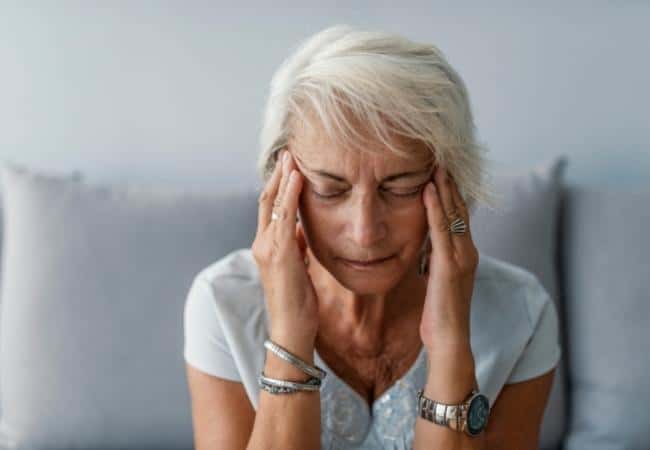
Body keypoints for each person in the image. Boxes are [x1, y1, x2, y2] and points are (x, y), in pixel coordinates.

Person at [184, 24, 561, 450]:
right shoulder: (224, 302)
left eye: (400, 189)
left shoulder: (521, 313)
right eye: (330, 189)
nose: (365, 231)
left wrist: (451, 341)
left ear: (453, 184)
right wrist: (290, 333)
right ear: (280, 185)